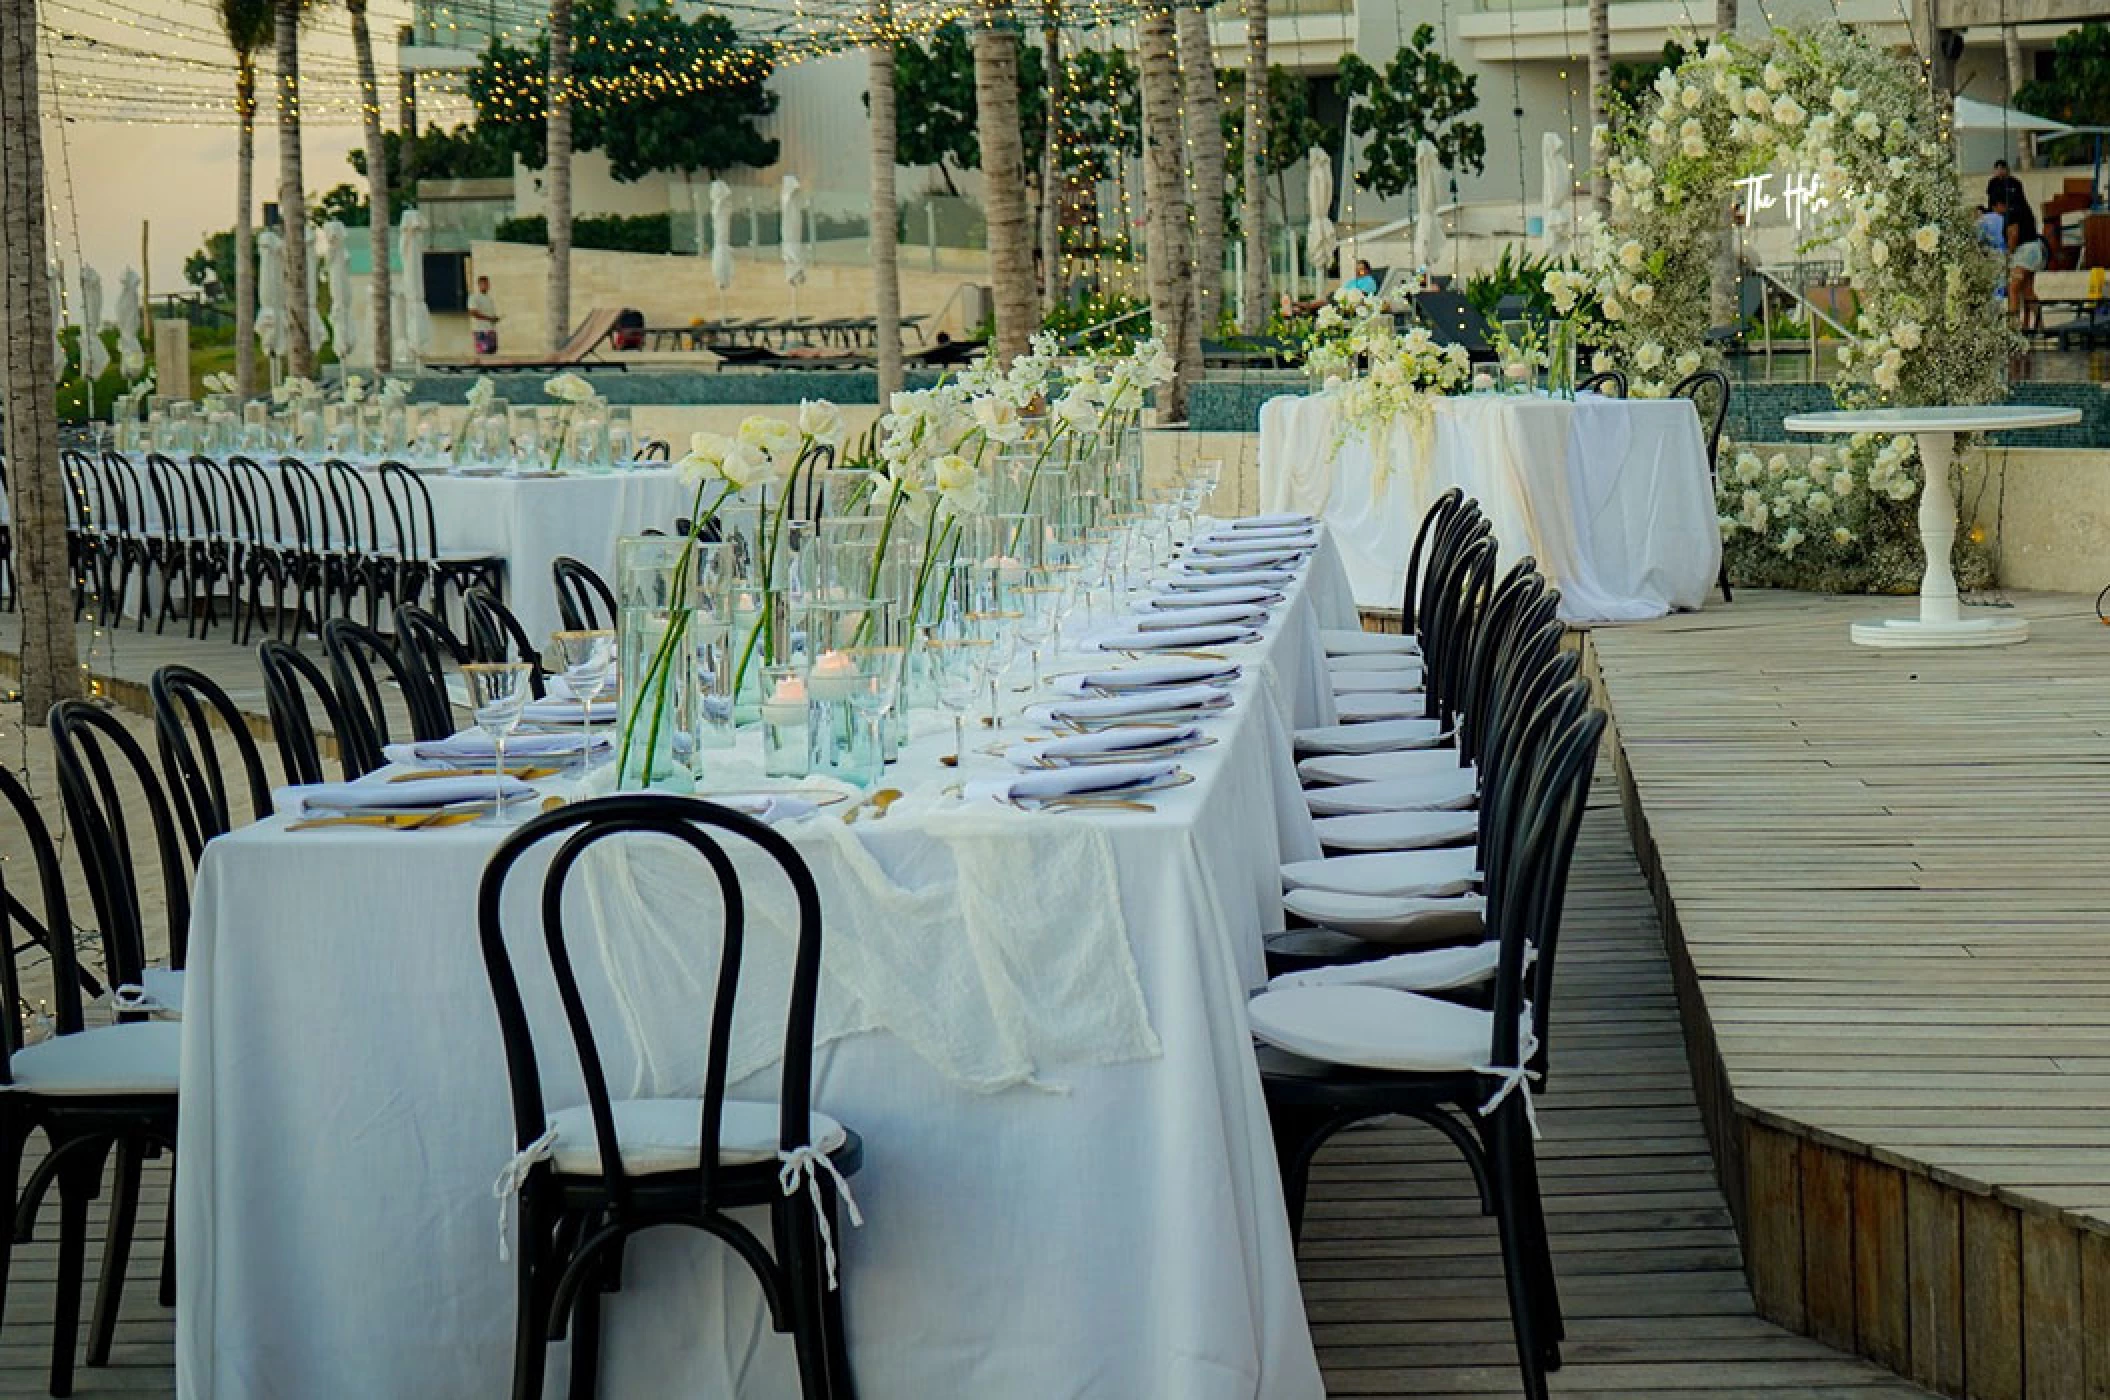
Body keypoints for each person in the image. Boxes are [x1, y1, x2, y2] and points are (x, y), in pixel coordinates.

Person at [2004, 199, 2047, 333]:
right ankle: (2040, 326)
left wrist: (2009, 253)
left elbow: (2013, 233)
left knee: (2013, 289)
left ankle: (2013, 327)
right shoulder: (2025, 211)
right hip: (2036, 249)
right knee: (2028, 291)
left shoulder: (2012, 213)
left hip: (2024, 253)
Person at [1987, 160, 2030, 227]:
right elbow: (1992, 199)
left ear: (2007, 169)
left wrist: (2007, 208)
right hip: (1996, 212)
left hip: (2013, 211)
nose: (2000, 171)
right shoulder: (1992, 182)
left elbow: (2018, 201)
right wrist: (1996, 208)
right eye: (1997, 169)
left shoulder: (2015, 182)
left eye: (2002, 169)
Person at [467, 275, 501, 355]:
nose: (486, 285)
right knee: (483, 354)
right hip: (481, 331)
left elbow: (489, 315)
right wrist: (490, 318)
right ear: (479, 284)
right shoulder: (474, 297)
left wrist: (494, 319)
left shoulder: (489, 298)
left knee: (492, 352)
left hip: (490, 330)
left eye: (487, 284)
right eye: (484, 284)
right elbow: (473, 312)